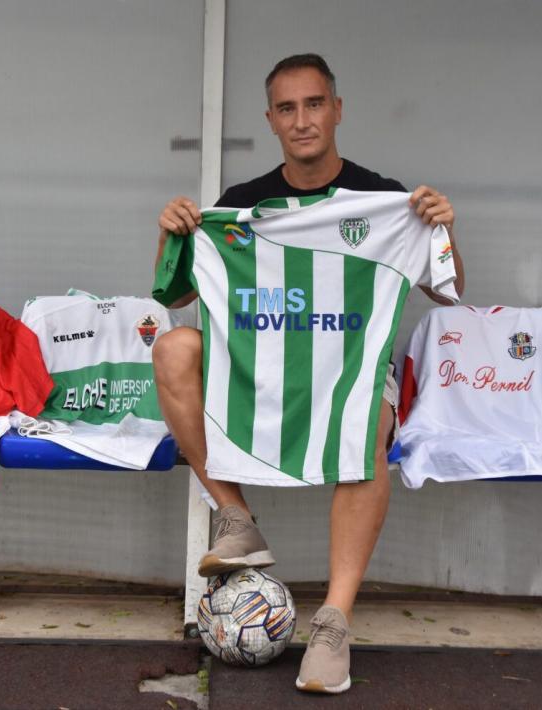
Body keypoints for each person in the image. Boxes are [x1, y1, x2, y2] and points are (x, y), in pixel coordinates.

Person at [152, 53, 465, 694]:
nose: (302, 120)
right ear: (271, 120)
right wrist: (172, 234)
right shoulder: (242, 205)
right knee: (175, 347)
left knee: (370, 422)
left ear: (337, 110)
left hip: (348, 367)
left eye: (314, 104)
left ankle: (333, 624)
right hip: (259, 368)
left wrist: (441, 230)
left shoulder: (384, 200)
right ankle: (236, 519)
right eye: (287, 108)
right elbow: (177, 296)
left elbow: (448, 289)